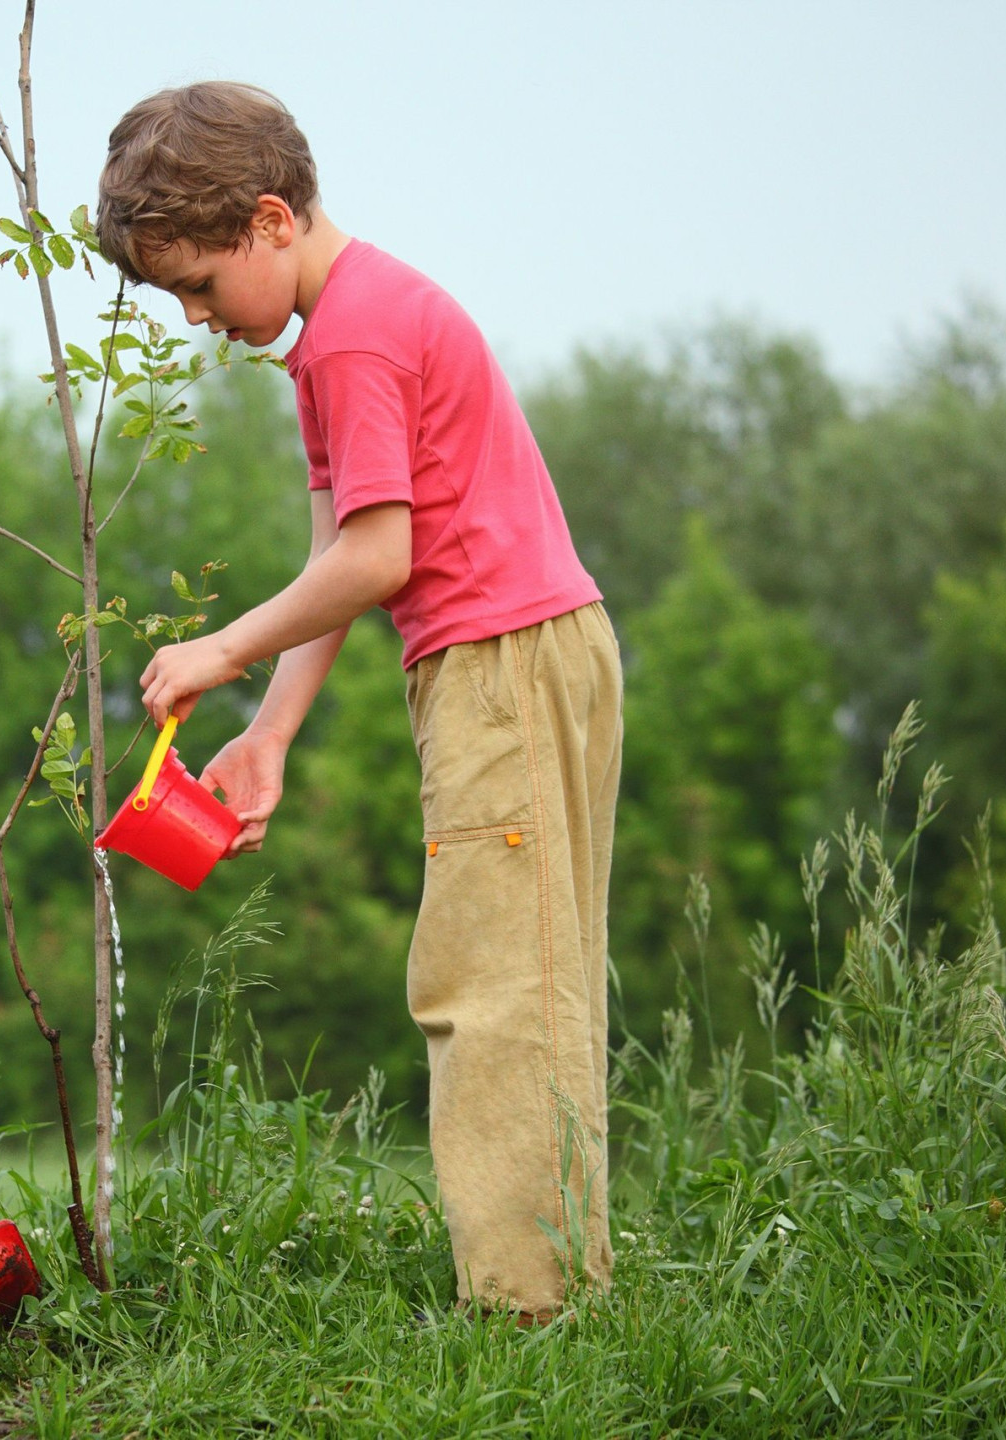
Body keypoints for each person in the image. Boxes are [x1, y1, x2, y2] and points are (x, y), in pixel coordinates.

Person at [98, 82, 622, 1322]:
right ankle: (554, 1289)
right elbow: (342, 547)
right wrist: (271, 728)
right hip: (503, 658)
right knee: (524, 970)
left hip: (502, 664)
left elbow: (380, 560)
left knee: (494, 986)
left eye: (201, 285)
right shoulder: (335, 337)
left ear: (271, 221)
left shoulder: (355, 336)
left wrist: (220, 650)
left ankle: (532, 1310)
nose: (195, 318)